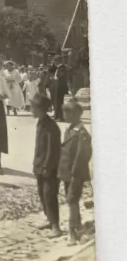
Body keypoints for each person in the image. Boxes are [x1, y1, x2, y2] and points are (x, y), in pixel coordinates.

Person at [58, 101, 92, 245]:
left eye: (66, 113)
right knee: (71, 199)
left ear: (75, 115)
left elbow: (82, 156)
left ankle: (72, 232)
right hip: (66, 172)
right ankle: (77, 226)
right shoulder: (69, 129)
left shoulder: (82, 133)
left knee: (72, 200)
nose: (64, 115)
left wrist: (74, 174)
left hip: (75, 174)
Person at [31, 93, 62, 238]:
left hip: (49, 168)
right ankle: (49, 220)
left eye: (33, 107)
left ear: (41, 109)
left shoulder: (51, 126)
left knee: (50, 195)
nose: (31, 110)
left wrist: (46, 167)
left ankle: (56, 227)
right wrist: (37, 165)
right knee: (42, 194)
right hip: (40, 166)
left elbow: (52, 150)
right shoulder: (41, 122)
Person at [48, 55, 70, 121]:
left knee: (59, 103)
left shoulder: (62, 68)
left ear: (56, 62)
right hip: (58, 88)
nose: (54, 63)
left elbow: (59, 77)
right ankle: (57, 116)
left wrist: (54, 79)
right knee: (57, 102)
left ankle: (60, 117)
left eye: (54, 62)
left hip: (60, 88)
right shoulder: (59, 68)